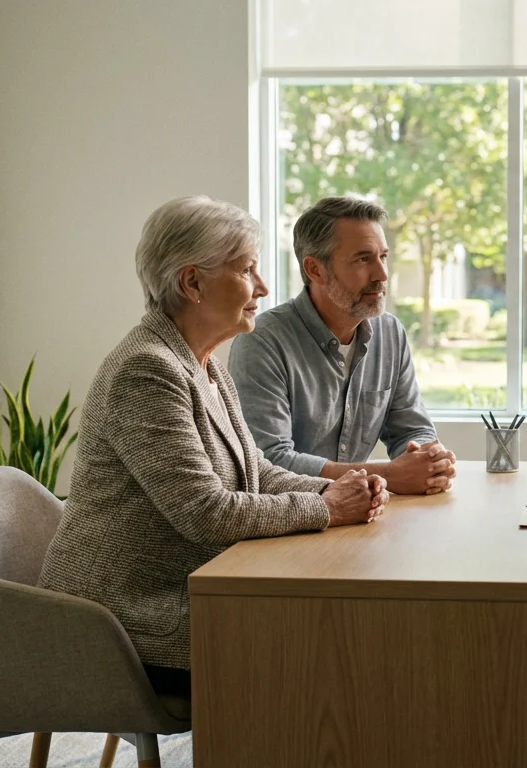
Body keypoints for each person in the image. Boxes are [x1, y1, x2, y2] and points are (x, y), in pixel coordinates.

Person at [38, 195, 388, 696]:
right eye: (248, 270)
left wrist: (343, 488)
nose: (264, 288)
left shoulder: (202, 362)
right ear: (192, 282)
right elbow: (205, 512)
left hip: (182, 589)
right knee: (321, 643)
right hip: (125, 617)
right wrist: (326, 507)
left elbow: (256, 470)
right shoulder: (147, 369)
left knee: (339, 632)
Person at [230, 196, 457, 495]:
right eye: (363, 259)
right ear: (315, 269)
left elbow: (411, 428)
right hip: (289, 522)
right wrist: (388, 475)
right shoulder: (261, 341)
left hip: (358, 515)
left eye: (383, 257)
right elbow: (269, 462)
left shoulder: (390, 333)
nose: (382, 275)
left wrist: (429, 458)